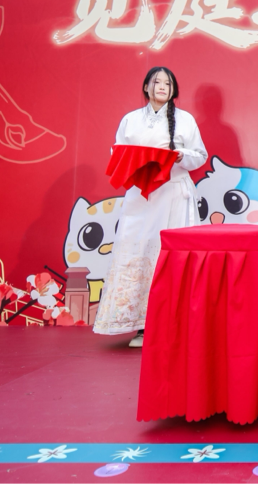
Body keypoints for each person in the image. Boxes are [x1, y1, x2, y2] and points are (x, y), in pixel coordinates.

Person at [94, 67, 207, 348]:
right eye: (157, 82)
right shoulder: (131, 120)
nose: (162, 86)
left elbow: (199, 156)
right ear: (146, 87)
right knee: (138, 253)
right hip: (141, 197)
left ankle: (178, 325)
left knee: (171, 257)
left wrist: (179, 156)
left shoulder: (185, 120)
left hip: (174, 195)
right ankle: (141, 325)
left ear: (174, 89)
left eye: (168, 83)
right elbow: (117, 153)